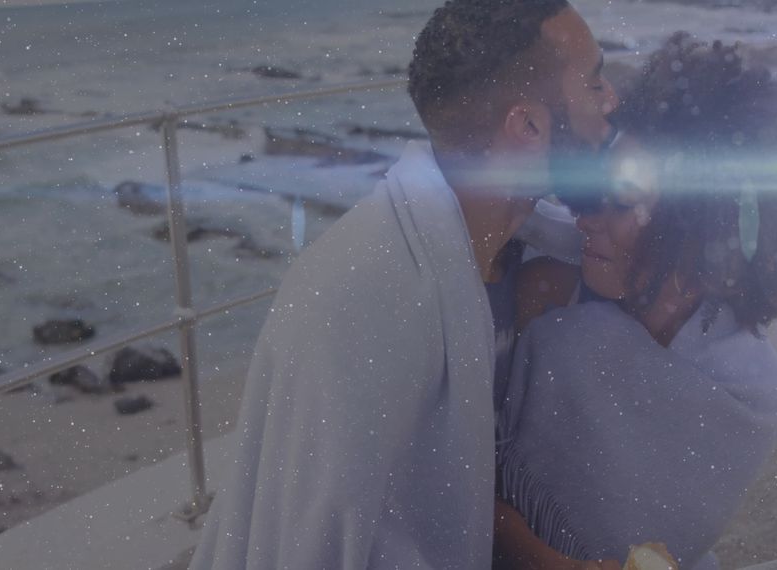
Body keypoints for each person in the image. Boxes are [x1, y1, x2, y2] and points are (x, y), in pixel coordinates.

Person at [188, 0, 618, 568]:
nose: (611, 99)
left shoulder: (517, 252)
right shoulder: (365, 293)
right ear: (527, 126)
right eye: (593, 82)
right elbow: (316, 543)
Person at [491, 34, 777, 570]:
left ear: (697, 230)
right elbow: (463, 471)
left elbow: (666, 539)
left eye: (619, 203)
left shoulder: (753, 392)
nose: (584, 215)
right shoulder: (547, 297)